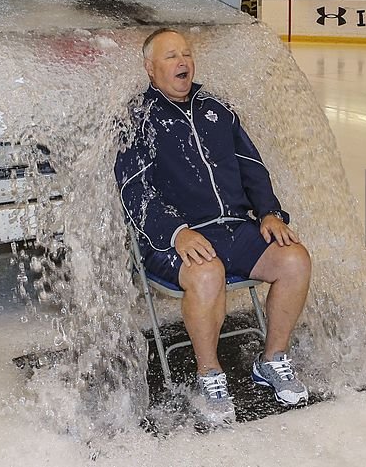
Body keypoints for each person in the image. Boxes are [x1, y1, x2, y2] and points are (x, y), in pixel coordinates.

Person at [115, 28, 312, 424]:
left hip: (234, 229)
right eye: (171, 56)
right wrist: (176, 232)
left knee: (295, 260)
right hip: (172, 238)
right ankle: (210, 373)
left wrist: (270, 213)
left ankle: (272, 359)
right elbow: (133, 188)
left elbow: (252, 167)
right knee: (207, 275)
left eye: (186, 54)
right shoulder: (136, 117)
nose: (182, 62)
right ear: (150, 68)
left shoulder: (216, 108)